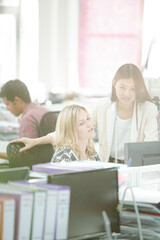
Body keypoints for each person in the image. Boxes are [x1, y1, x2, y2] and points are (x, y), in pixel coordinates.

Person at [11, 63, 158, 163]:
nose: (127, 93)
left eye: (133, 89)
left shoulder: (148, 109)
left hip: (134, 166)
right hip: (108, 164)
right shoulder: (103, 105)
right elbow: (72, 129)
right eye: (123, 87)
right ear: (114, 83)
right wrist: (36, 141)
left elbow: (151, 147)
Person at [12, 104, 100, 162]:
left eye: (88, 118)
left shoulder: (91, 152)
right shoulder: (64, 155)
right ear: (70, 129)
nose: (89, 124)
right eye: (81, 123)